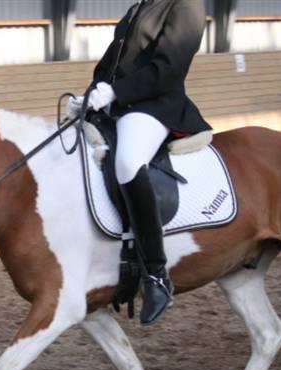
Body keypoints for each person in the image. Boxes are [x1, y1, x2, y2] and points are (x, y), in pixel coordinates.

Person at [68, 0, 211, 325]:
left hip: (156, 107)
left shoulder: (186, 5)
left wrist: (113, 93)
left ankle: (156, 273)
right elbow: (111, 64)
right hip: (119, 105)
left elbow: (168, 69)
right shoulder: (139, 7)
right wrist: (90, 97)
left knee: (129, 163)